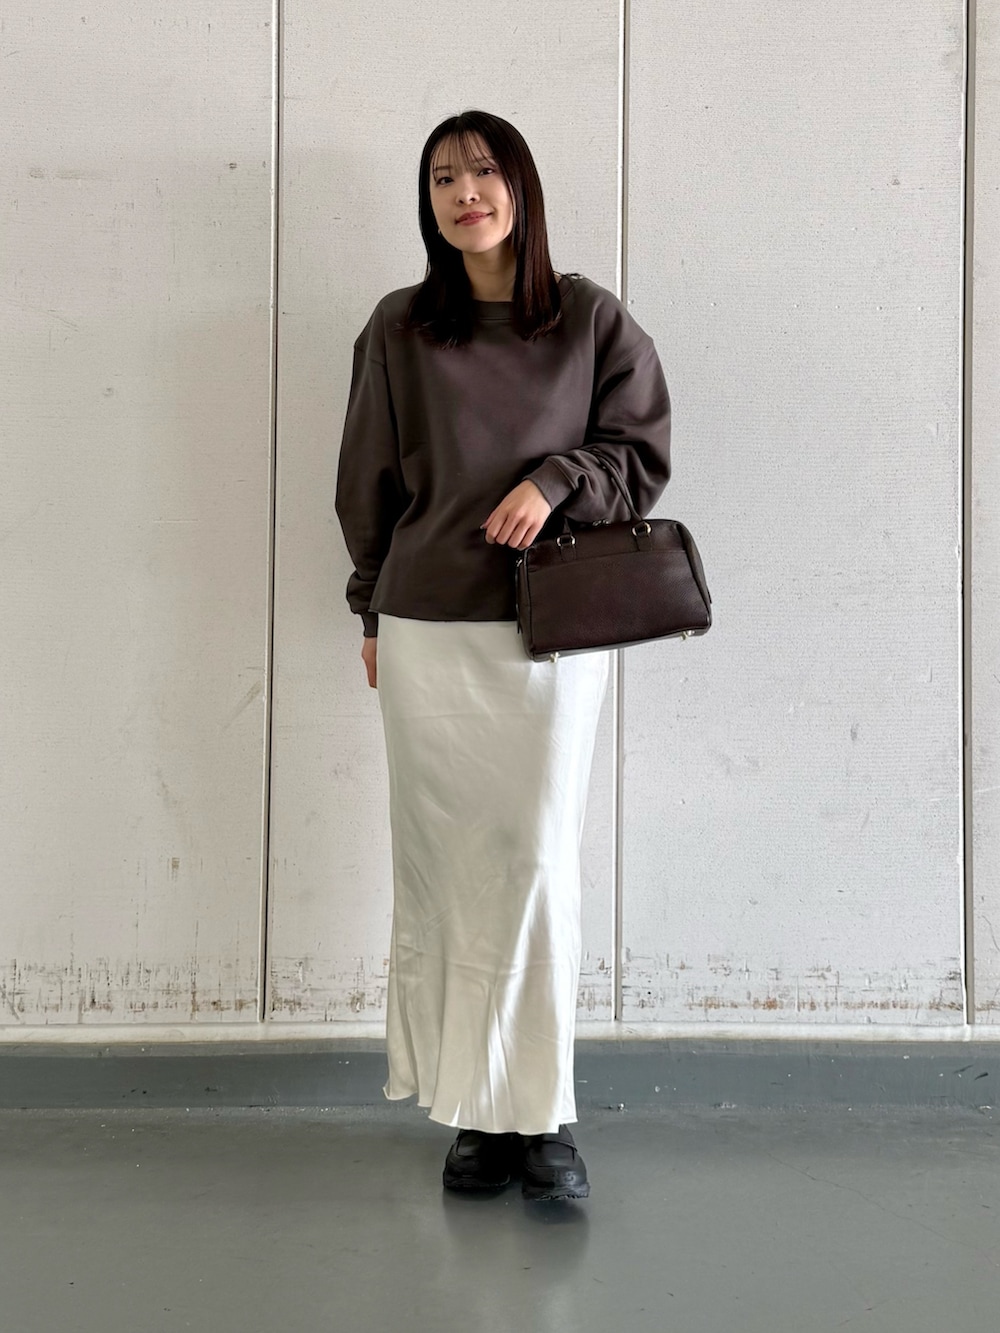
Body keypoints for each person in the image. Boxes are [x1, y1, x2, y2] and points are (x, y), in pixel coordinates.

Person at [335, 110, 671, 1201]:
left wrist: (555, 478)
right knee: (444, 871)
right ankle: (476, 1113)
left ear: (520, 187)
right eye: (443, 178)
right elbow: (366, 481)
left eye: (483, 172)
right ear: (427, 203)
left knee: (533, 863)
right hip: (427, 626)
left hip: (549, 632)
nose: (464, 192)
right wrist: (371, 610)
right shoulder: (399, 326)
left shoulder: (589, 318)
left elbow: (639, 453)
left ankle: (545, 1112)